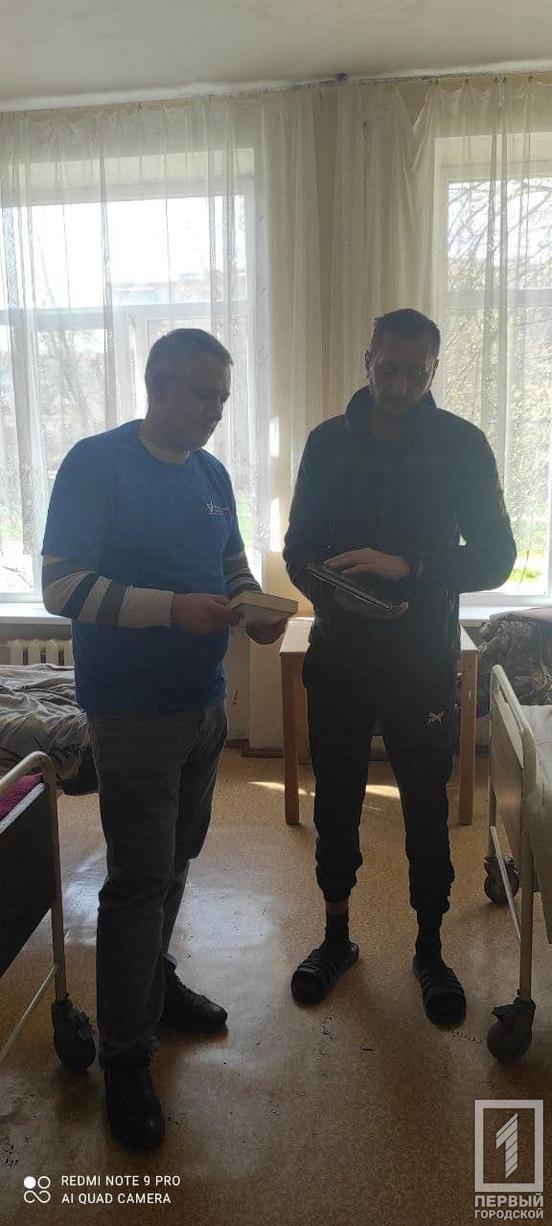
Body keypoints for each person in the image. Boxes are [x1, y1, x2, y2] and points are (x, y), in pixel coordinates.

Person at [42, 328, 288, 1150]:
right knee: (138, 881)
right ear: (157, 385)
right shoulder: (97, 464)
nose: (215, 411)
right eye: (201, 395)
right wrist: (169, 609)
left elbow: (230, 565)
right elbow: (61, 585)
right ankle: (124, 1055)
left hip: (202, 703)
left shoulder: (211, 475)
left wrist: (251, 609)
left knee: (177, 858)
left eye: (223, 397)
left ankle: (155, 983)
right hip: (133, 709)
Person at [283, 308, 516, 1026]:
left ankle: (430, 949)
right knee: (336, 800)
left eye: (417, 373)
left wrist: (407, 568)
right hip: (341, 654)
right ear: (368, 362)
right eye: (389, 369)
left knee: (424, 804)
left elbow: (496, 557)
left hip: (422, 660)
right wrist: (342, 594)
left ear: (434, 370)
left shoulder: (462, 445)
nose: (401, 385)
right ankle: (336, 937)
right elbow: (298, 549)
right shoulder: (327, 443)